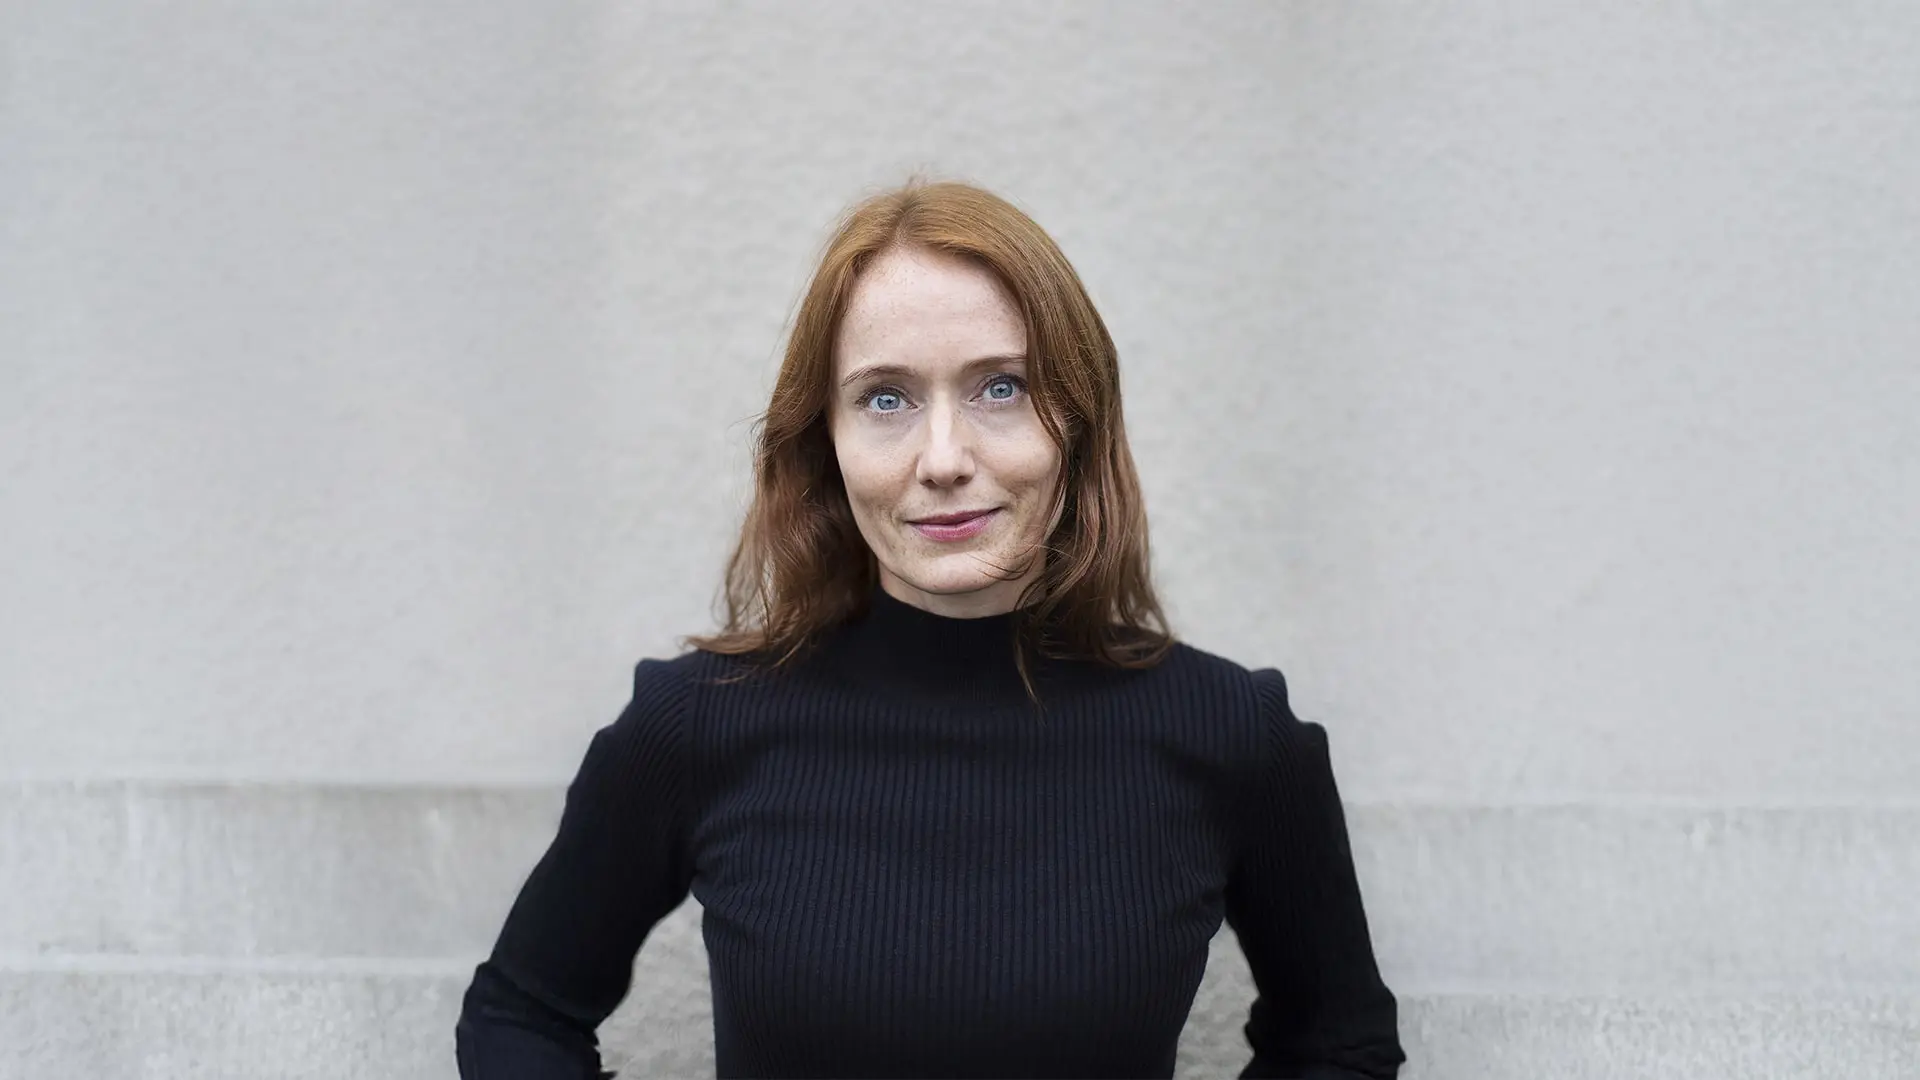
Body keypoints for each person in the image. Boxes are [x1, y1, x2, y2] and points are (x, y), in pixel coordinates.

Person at [453, 178, 1405, 1079]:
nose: (944, 459)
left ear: (1077, 420)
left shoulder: (1234, 734)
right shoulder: (695, 722)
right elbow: (519, 1015)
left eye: (1002, 388)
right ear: (825, 439)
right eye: (886, 398)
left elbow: (1339, 1043)